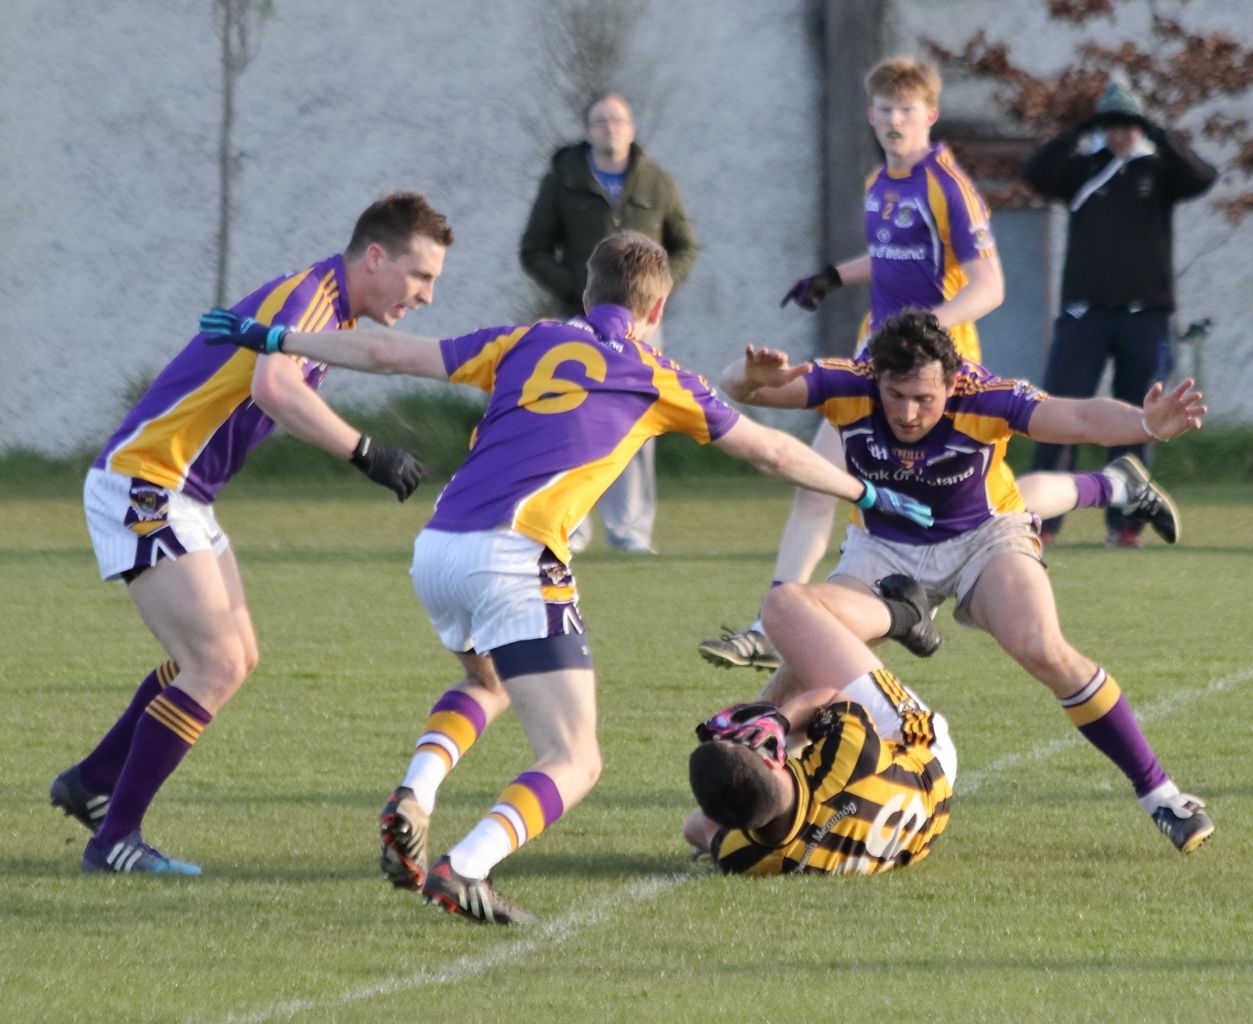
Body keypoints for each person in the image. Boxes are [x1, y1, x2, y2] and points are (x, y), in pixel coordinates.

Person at [200, 231, 935, 923]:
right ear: (656, 309)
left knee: (486, 683)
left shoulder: (527, 338)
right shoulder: (656, 372)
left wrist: (276, 338)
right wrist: (864, 492)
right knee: (575, 758)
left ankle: (416, 795)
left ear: (589, 296)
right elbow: (772, 453)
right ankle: (465, 867)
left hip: (439, 547)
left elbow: (391, 352)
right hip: (515, 557)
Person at [696, 57, 1175, 669]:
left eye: (907, 110)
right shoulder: (880, 183)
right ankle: (774, 625)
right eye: (886, 110)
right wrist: (833, 277)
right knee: (818, 487)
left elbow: (989, 285)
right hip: (881, 365)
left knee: (994, 504)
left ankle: (1110, 485)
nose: (896, 121)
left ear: (930, 115)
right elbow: (892, 257)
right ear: (871, 115)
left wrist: (926, 330)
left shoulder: (947, 185)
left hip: (937, 374)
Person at [50, 192, 451, 875]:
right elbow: (275, 387)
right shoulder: (312, 298)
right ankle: (114, 838)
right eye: (421, 277)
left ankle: (93, 780)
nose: (426, 295)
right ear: (376, 257)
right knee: (215, 664)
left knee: (233, 655)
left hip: (185, 493)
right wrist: (366, 452)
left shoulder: (328, 302)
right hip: (146, 481)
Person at [716, 308, 1214, 855]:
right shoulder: (848, 384)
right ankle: (747, 788)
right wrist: (748, 378)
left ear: (951, 383)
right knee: (808, 638)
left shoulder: (984, 396)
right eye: (895, 395)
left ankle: (1160, 794)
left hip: (984, 537)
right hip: (880, 551)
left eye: (924, 399)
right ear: (876, 377)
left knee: (1041, 647)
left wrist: (1145, 424)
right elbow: (749, 392)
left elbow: (1077, 419)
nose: (907, 413)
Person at [1022, 75, 1218, 548]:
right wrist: (1083, 127)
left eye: (1127, 123)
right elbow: (1035, 172)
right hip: (1084, 316)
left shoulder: (1159, 171)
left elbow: (1202, 176)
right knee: (1060, 412)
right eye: (1112, 123)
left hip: (1144, 316)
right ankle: (1041, 522)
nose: (1120, 132)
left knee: (1138, 417)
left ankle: (1126, 523)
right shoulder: (1087, 169)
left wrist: (1153, 130)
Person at [520, 90, 699, 554]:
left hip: (643, 328)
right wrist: (574, 291)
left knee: (639, 421)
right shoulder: (562, 180)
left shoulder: (656, 181)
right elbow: (534, 249)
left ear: (632, 128)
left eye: (618, 120)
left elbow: (686, 246)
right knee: (572, 420)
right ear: (587, 130)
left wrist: (658, 289)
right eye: (600, 121)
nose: (610, 129)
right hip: (581, 322)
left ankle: (631, 532)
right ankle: (570, 527)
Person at [684, 640, 954, 877]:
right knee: (789, 613)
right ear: (770, 761)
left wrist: (729, 793)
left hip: (913, 835)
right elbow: (829, 697)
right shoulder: (846, 761)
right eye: (750, 744)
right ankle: (900, 615)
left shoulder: (742, 857)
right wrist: (777, 723)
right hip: (928, 768)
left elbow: (695, 829)